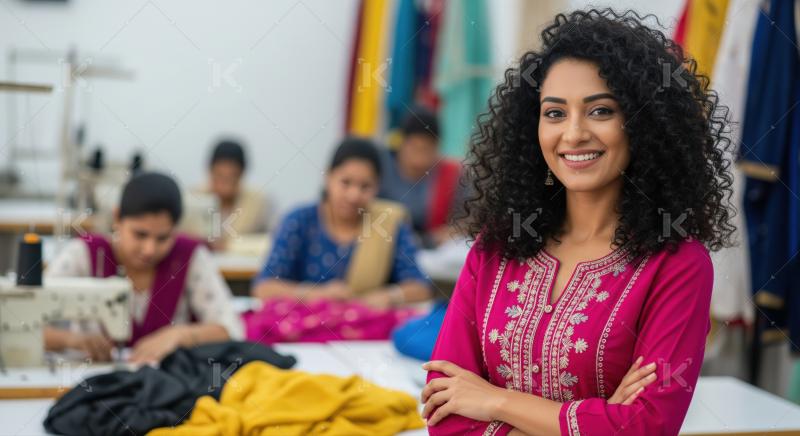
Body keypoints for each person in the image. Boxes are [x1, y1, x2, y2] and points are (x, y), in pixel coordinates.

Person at [421, 9, 734, 435]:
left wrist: (496, 400)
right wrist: (599, 418)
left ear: (642, 124)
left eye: (600, 111)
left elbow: (647, 426)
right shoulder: (499, 245)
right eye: (554, 113)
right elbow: (445, 409)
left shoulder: (677, 265)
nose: (573, 134)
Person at [45, 172, 244, 364]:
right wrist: (69, 340)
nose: (149, 249)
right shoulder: (85, 254)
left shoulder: (190, 257)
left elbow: (232, 330)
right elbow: (24, 323)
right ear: (117, 218)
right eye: (140, 235)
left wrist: (180, 335)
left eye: (162, 238)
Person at [251, 137, 432, 309]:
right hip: (304, 334)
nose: (353, 196)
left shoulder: (387, 223)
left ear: (377, 187)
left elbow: (421, 288)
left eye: (365, 187)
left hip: (366, 335)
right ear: (328, 177)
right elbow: (263, 288)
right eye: (345, 183)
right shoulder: (299, 221)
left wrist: (389, 296)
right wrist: (314, 294)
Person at [378, 107, 463, 248]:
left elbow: (470, 221)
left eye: (426, 148)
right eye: (414, 147)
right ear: (401, 143)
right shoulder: (381, 166)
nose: (419, 157)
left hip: (431, 251)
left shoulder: (451, 175)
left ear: (437, 147)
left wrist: (449, 232)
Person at [191, 139, 272, 250]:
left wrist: (230, 245)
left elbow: (270, 241)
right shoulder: (193, 198)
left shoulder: (259, 202)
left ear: (242, 174)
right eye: (219, 176)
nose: (225, 185)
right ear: (210, 171)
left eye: (231, 177)